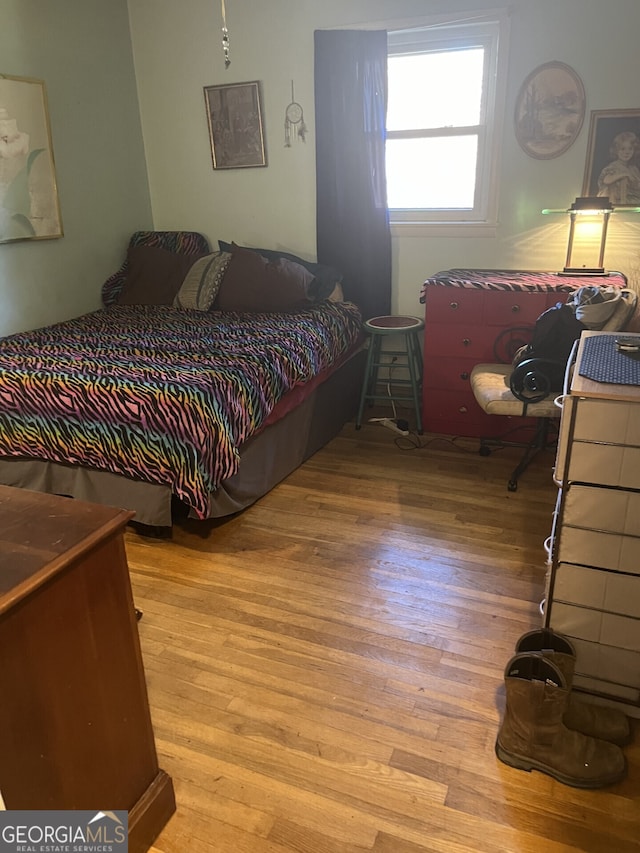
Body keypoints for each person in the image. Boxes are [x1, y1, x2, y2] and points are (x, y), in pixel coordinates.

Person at [596, 130, 640, 204]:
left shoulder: (634, 169)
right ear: (616, 150)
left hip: (633, 199)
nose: (627, 152)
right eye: (623, 149)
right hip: (617, 199)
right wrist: (623, 175)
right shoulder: (613, 166)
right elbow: (606, 180)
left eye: (630, 149)